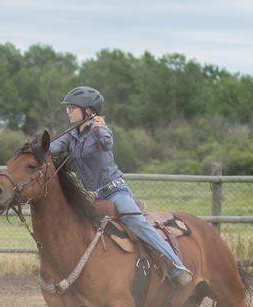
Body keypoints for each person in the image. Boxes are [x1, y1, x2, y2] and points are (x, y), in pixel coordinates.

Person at [49, 86, 193, 287]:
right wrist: (33, 149)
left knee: (138, 223)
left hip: (115, 192)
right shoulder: (70, 136)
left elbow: (107, 143)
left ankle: (177, 266)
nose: (68, 111)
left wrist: (99, 130)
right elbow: (50, 148)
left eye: (72, 107)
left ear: (89, 111)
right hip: (92, 198)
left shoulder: (101, 130)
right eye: (68, 108)